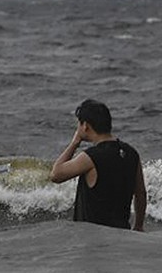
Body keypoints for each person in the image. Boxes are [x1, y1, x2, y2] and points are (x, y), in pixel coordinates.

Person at [49, 99, 147, 231]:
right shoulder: (131, 153)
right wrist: (139, 225)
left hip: (94, 238)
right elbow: (140, 193)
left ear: (85, 126)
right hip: (122, 235)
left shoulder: (90, 157)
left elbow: (56, 175)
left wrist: (75, 142)